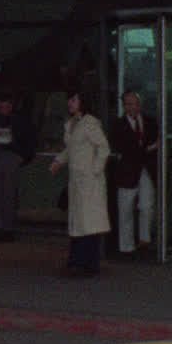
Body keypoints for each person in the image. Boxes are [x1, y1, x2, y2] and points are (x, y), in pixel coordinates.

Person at [50, 88, 111, 277]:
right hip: (77, 181)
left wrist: (95, 170)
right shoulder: (71, 124)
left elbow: (103, 148)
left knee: (89, 222)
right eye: (69, 100)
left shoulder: (90, 123)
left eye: (74, 100)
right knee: (79, 221)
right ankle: (78, 262)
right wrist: (59, 161)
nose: (70, 103)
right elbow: (71, 150)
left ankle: (88, 264)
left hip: (90, 180)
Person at [107, 89, 160, 258]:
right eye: (128, 104)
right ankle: (126, 246)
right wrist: (147, 149)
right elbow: (124, 148)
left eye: (135, 103)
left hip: (145, 170)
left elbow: (156, 142)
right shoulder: (117, 125)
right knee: (126, 208)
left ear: (140, 104)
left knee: (147, 205)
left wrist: (146, 150)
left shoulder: (150, 122)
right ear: (123, 106)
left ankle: (145, 240)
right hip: (127, 172)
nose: (132, 107)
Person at [0, 86, 35, 241]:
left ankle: (3, 227)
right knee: (1, 193)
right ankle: (3, 227)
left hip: (7, 157)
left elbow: (27, 143)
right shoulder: (17, 120)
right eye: (3, 105)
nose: (4, 108)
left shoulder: (11, 120)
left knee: (4, 193)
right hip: (4, 157)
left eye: (7, 105)